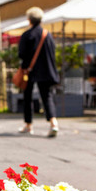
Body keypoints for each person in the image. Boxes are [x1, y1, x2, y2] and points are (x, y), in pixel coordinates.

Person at [18, 7, 59, 137]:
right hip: (46, 71)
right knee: (46, 96)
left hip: (29, 71)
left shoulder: (27, 35)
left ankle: (28, 125)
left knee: (27, 97)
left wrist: (25, 67)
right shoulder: (47, 35)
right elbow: (53, 53)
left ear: (29, 20)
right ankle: (53, 123)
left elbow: (22, 54)